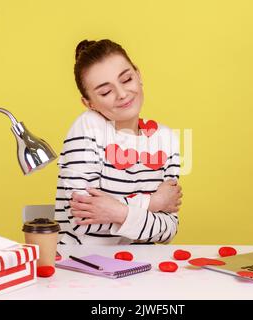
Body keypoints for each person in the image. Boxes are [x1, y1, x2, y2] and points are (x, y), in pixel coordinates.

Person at [55, 39, 182, 245]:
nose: (122, 94)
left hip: (142, 267)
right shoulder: (88, 126)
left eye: (127, 79)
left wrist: (114, 211)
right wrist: (153, 202)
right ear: (89, 103)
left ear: (138, 75)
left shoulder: (165, 139)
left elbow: (168, 230)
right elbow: (81, 220)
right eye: (105, 92)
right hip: (82, 264)